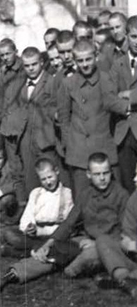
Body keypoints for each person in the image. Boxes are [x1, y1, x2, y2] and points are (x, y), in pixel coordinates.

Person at [0, 153, 129, 292]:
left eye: (106, 173)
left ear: (111, 172)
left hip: (109, 245)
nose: (102, 178)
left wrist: (98, 243)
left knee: (80, 262)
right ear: (89, 175)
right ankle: (9, 275)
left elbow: (126, 233)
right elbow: (69, 223)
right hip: (85, 240)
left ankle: (77, 269)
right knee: (51, 252)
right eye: (97, 174)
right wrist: (48, 244)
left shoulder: (121, 195)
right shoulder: (86, 194)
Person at [57, 40, 123, 198]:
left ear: (96, 57)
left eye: (88, 59)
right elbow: (64, 119)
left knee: (114, 197)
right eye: (80, 60)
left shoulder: (106, 79)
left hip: (104, 146)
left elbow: (115, 108)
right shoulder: (68, 83)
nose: (85, 64)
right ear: (74, 61)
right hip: (79, 151)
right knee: (83, 200)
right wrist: (69, 144)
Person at [0, 47, 59, 204]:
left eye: (34, 64)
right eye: (26, 66)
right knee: (31, 182)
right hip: (26, 141)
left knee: (50, 181)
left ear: (41, 62)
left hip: (46, 140)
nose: (31, 68)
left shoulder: (51, 82)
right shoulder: (21, 84)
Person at [0, 156, 74, 256]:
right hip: (34, 235)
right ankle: (36, 250)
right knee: (9, 233)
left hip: (54, 235)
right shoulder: (36, 193)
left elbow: (66, 224)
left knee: (62, 242)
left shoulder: (66, 194)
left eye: (50, 177)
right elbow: (27, 215)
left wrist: (40, 231)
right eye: (43, 179)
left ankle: (24, 252)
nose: (48, 182)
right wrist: (28, 227)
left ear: (57, 171)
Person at [95, 164, 137, 299]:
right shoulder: (134, 199)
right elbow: (128, 231)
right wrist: (128, 242)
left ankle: (126, 278)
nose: (134, 179)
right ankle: (125, 279)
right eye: (135, 174)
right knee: (103, 240)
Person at [109, 15, 137, 191]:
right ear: (126, 36)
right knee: (126, 184)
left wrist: (130, 96)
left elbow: (120, 95)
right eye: (134, 36)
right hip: (124, 132)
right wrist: (126, 106)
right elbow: (108, 98)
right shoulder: (117, 64)